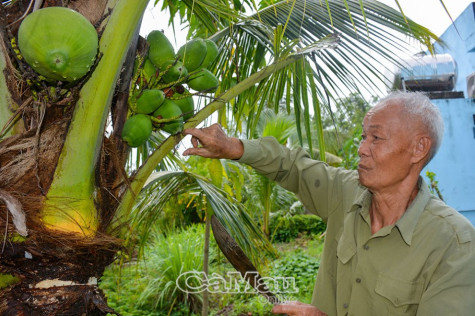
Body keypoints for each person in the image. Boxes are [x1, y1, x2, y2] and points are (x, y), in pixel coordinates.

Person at [182, 91, 475, 315]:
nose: (361, 149)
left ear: (418, 148)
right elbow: (291, 166)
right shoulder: (346, 192)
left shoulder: (453, 244)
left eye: (376, 138)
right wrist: (232, 146)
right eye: (363, 136)